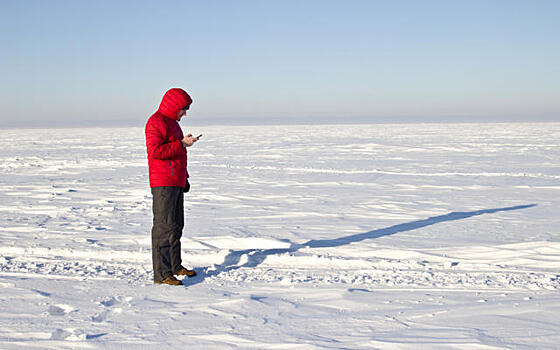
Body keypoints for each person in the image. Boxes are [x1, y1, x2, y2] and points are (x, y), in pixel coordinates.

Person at [145, 88, 199, 285]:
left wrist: (184, 178)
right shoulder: (156, 122)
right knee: (164, 228)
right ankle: (162, 274)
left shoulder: (173, 125)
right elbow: (156, 152)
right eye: (183, 109)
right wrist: (182, 144)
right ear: (174, 106)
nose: (184, 114)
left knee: (176, 226)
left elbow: (176, 153)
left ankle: (175, 265)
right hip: (163, 183)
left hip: (176, 181)